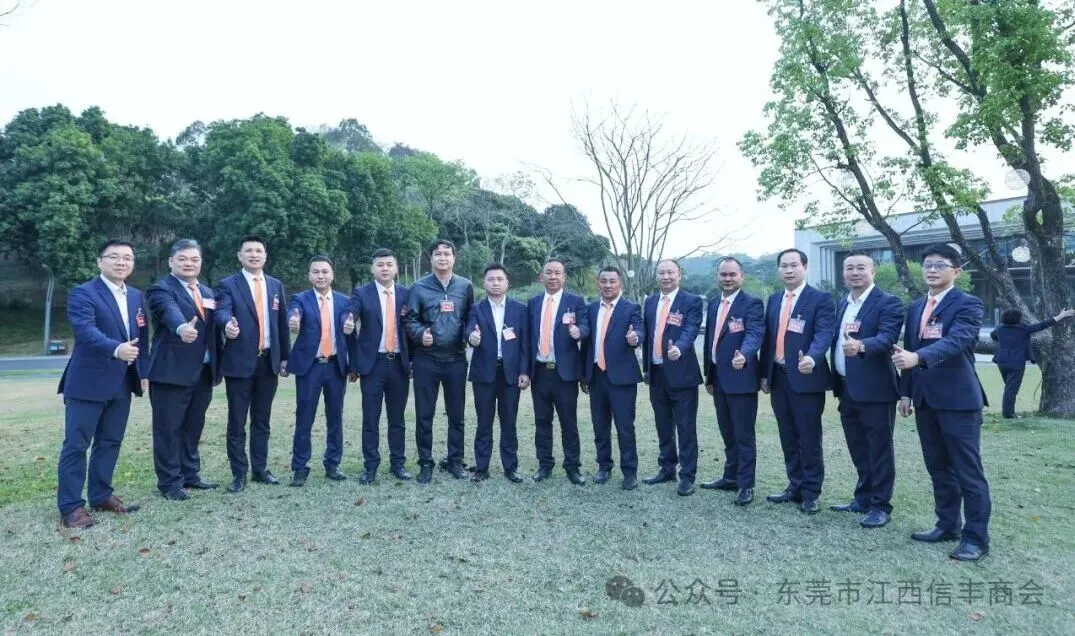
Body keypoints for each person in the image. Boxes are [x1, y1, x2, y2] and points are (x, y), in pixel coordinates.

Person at [893, 243, 991, 561]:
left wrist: (919, 357)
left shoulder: (968, 303)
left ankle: (975, 538)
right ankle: (948, 525)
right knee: (938, 467)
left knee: (967, 471)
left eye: (940, 265)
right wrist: (906, 392)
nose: (932, 270)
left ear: (956, 271)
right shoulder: (916, 306)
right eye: (927, 265)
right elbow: (907, 351)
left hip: (958, 400)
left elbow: (957, 341)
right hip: (925, 400)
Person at [56, 239, 150, 528]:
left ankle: (101, 495)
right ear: (100, 261)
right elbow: (85, 331)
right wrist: (116, 348)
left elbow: (142, 336)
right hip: (87, 382)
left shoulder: (136, 296)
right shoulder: (83, 293)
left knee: (110, 441)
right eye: (114, 257)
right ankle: (71, 507)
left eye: (127, 258)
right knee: (76, 444)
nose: (121, 262)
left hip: (122, 382)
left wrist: (142, 372)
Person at [829, 251, 903, 528]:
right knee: (858, 447)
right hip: (846, 388)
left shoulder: (888, 302)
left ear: (873, 271)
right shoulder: (843, 303)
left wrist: (862, 346)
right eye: (849, 268)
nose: (854, 273)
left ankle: (880, 505)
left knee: (879, 449)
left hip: (875, 389)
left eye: (861, 267)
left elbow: (887, 338)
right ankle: (862, 498)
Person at [759, 248, 835, 515]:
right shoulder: (774, 299)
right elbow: (768, 339)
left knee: (808, 437)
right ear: (779, 269)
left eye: (794, 265)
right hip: (778, 378)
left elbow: (824, 333)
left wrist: (812, 357)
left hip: (806, 377)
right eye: (784, 265)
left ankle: (811, 492)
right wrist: (765, 373)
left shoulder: (820, 299)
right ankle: (795, 485)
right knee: (788, 435)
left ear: (805, 267)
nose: (789, 270)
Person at [146, 239, 221, 501]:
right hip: (171, 372)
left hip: (203, 372)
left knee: (193, 426)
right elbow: (169, 312)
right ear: (171, 261)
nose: (189, 263)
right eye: (183, 259)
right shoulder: (161, 289)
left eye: (194, 259)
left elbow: (213, 325)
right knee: (168, 430)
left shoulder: (208, 292)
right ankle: (169, 483)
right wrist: (181, 328)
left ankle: (190, 474)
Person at [214, 235, 290, 493]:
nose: (254, 255)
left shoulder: (276, 285)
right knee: (237, 422)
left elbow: (282, 325)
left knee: (262, 420)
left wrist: (284, 357)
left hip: (268, 363)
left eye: (259, 250)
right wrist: (227, 324)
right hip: (240, 363)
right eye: (249, 251)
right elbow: (221, 311)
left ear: (265, 256)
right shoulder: (228, 285)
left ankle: (260, 469)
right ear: (240, 256)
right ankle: (239, 474)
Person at [403, 239, 475, 484]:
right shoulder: (418, 287)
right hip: (427, 360)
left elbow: (470, 317)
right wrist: (419, 334)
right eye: (438, 254)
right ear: (431, 258)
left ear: (454, 258)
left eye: (447, 253)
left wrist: (470, 334)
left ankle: (455, 461)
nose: (442, 258)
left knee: (457, 415)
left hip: (456, 359)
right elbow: (410, 319)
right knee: (424, 414)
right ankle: (425, 462)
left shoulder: (465, 286)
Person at [700, 257, 765, 506]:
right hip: (718, 379)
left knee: (743, 435)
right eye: (723, 274)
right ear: (717, 276)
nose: (727, 278)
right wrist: (709, 375)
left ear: (741, 276)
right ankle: (730, 477)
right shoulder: (714, 303)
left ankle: (745, 485)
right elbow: (711, 341)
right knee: (727, 432)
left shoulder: (752, 303)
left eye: (732, 274)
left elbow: (755, 333)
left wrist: (745, 354)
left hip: (741, 379)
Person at [286, 256, 355, 486]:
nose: (321, 276)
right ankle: (300, 468)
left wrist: (353, 366)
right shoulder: (300, 299)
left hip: (335, 367)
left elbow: (349, 330)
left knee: (335, 417)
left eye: (325, 271)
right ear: (309, 276)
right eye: (315, 272)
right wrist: (293, 319)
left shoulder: (344, 301)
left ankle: (332, 464)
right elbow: (294, 313)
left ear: (332, 275)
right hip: (310, 367)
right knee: (304, 418)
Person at [642, 259, 704, 496]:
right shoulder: (650, 302)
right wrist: (646, 367)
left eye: (670, 272)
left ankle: (687, 475)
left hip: (682, 374)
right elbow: (649, 336)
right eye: (661, 272)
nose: (665, 276)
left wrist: (679, 347)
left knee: (685, 427)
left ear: (679, 275)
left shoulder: (691, 301)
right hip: (656, 373)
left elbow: (691, 329)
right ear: (656, 276)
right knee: (663, 424)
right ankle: (666, 468)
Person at [350, 248, 411, 483]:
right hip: (372, 365)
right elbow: (351, 313)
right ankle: (370, 466)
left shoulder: (406, 294)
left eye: (389, 264)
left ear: (396, 268)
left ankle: (398, 464)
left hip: (398, 364)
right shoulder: (361, 293)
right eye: (380, 265)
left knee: (397, 418)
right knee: (370, 419)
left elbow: (412, 326)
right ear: (372, 268)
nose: (384, 269)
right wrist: (348, 320)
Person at [527, 259, 590, 485]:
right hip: (539, 372)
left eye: (557, 273)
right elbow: (527, 338)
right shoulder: (533, 303)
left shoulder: (575, 301)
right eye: (549, 273)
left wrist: (579, 331)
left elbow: (585, 326)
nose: (553, 277)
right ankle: (544, 464)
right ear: (541, 277)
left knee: (568, 422)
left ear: (564, 277)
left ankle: (572, 467)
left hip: (565, 374)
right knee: (542, 421)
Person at [465, 263, 530, 483]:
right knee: (484, 422)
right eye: (491, 279)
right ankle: (481, 468)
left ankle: (511, 467)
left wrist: (524, 371)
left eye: (499, 279)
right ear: (484, 283)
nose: (495, 283)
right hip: (484, 373)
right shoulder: (476, 308)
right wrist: (472, 338)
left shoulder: (519, 309)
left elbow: (525, 344)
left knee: (509, 421)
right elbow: (469, 329)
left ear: (507, 283)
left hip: (510, 374)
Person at [580, 267, 642, 490]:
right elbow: (586, 344)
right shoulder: (590, 309)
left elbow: (639, 331)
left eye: (612, 281)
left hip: (622, 379)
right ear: (598, 284)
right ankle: (604, 466)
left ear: (620, 284)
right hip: (596, 376)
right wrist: (584, 376)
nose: (608, 285)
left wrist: (635, 338)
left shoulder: (631, 308)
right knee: (600, 425)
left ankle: (630, 472)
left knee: (625, 427)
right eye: (604, 281)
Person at [990, 307, 1075, 418]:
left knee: (1009, 388)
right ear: (1018, 319)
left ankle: (1008, 412)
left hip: (1002, 362)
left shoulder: (1000, 329)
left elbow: (993, 335)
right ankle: (1008, 415)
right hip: (1016, 363)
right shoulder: (1023, 329)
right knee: (1011, 389)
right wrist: (1061, 316)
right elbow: (1042, 325)